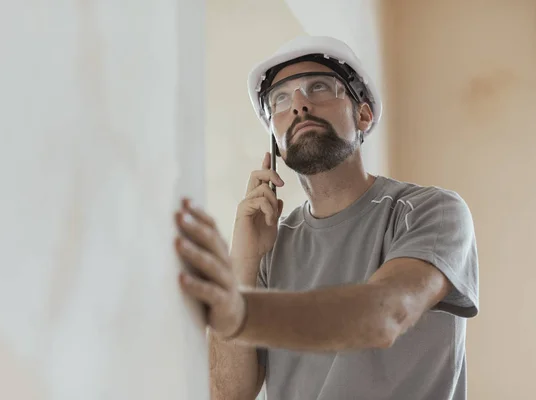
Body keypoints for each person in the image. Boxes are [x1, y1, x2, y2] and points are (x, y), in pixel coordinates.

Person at [174, 36, 479, 400]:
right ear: (275, 140)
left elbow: (387, 315)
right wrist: (244, 261)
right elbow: (227, 394)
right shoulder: (270, 248)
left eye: (318, 87)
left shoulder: (430, 211)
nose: (299, 104)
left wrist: (242, 313)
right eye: (280, 99)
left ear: (363, 115)